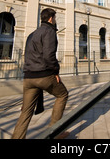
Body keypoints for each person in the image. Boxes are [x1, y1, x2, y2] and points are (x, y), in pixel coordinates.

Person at [11, 8, 69, 139]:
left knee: (26, 111)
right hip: (44, 75)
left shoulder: (32, 34)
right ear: (50, 19)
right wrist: (55, 71)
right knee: (62, 95)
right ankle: (54, 132)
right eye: (54, 18)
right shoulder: (49, 32)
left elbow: (27, 56)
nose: (55, 21)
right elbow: (49, 56)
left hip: (28, 77)